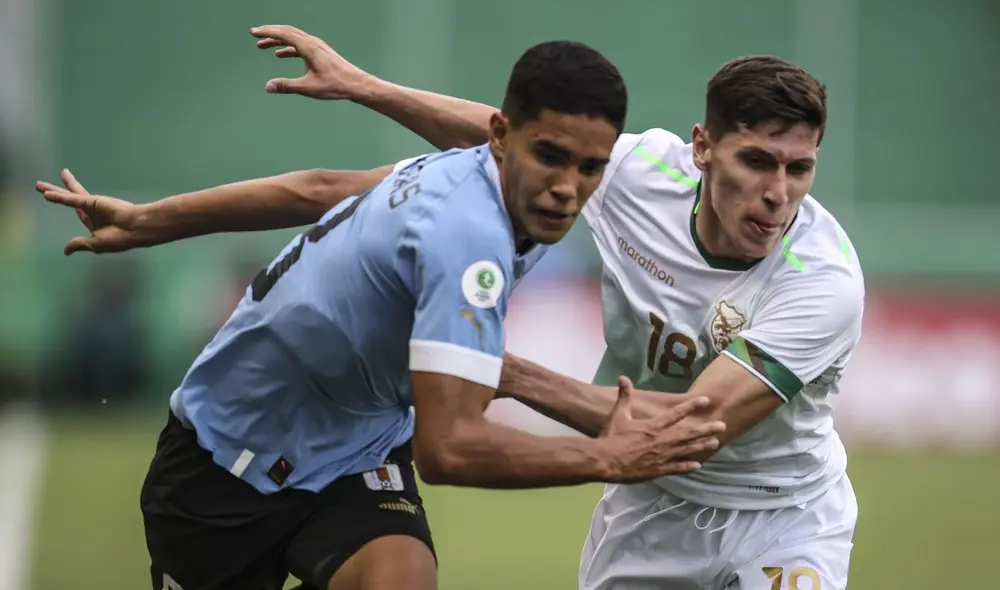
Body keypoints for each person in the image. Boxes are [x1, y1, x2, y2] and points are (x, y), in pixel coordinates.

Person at [39, 25, 864, 590]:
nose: (777, 192)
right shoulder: (500, 219)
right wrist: (593, 442)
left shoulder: (818, 280)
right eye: (759, 161)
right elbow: (456, 442)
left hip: (776, 512)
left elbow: (690, 426)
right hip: (227, 456)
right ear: (702, 148)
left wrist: (495, 370)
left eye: (800, 170)